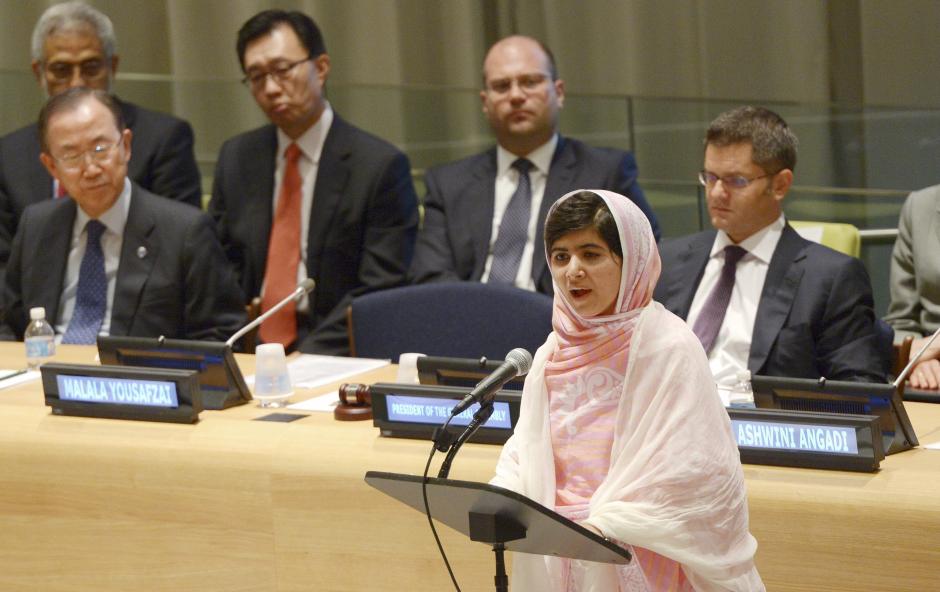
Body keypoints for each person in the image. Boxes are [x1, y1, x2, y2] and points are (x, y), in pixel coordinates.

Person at [491, 189, 763, 591]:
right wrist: (504, 493)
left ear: (631, 261)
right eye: (561, 257)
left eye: (591, 254)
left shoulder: (668, 344)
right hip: (558, 549)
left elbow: (694, 469)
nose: (573, 271)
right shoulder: (552, 349)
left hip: (637, 549)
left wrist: (606, 523)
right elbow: (527, 446)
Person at [209, 9, 418, 355]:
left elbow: (379, 291)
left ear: (320, 68)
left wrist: (304, 360)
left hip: (338, 350)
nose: (271, 88)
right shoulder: (237, 158)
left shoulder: (379, 167)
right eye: (256, 77)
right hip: (249, 346)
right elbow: (219, 270)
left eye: (281, 70)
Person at [654, 106, 886, 387]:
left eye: (736, 181)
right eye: (710, 177)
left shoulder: (831, 278)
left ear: (780, 185)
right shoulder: (667, 258)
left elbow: (858, 387)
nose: (716, 193)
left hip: (761, 426)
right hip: (667, 424)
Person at [409, 35, 659, 295]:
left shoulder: (605, 173)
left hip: (565, 325)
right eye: (502, 86)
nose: (516, 95)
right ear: (485, 102)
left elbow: (643, 259)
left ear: (558, 92)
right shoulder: (448, 183)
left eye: (530, 82)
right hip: (468, 322)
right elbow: (430, 276)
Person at [0, 87, 244, 343]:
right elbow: (7, 321)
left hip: (136, 378)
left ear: (126, 146)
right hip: (43, 375)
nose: (91, 169)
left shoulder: (185, 231)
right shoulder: (36, 225)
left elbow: (222, 334)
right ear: (52, 167)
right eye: (71, 156)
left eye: (100, 149)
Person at [0, 1, 202, 286]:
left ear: (113, 67)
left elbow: (180, 250)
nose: (77, 83)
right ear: (39, 73)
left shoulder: (164, 139)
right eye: (61, 70)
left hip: (137, 310)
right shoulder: (8, 156)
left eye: (91, 67)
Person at [884, 184, 940, 389]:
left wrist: (932, 348)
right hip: (929, 375)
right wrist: (918, 362)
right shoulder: (920, 206)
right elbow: (901, 320)